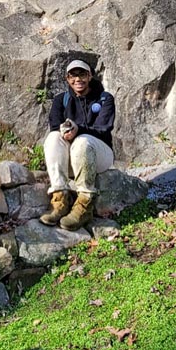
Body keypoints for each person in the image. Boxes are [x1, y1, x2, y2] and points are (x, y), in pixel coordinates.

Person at [39, 60, 116, 231]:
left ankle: (84, 204)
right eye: (73, 75)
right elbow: (55, 125)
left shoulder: (105, 98)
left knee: (82, 141)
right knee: (52, 138)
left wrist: (78, 130)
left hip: (100, 155)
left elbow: (103, 129)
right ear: (67, 78)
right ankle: (60, 199)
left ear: (89, 76)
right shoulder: (61, 100)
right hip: (71, 157)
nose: (78, 79)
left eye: (82, 74)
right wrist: (65, 132)